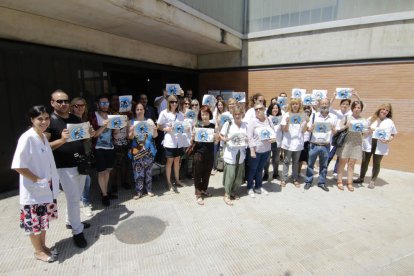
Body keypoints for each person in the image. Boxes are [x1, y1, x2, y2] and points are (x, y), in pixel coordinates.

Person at [12, 105, 60, 262]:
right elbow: (18, 165)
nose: (44, 121)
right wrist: (36, 180)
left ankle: (43, 247)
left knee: (43, 220)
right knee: (34, 224)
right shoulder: (27, 138)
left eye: (46, 118)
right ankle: (38, 251)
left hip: (46, 187)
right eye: (40, 119)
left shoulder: (43, 136)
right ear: (32, 119)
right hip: (34, 190)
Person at [46, 89, 91, 248]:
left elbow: (83, 137)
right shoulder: (49, 121)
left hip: (80, 163)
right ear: (52, 103)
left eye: (66, 101)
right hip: (64, 167)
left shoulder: (74, 118)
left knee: (76, 197)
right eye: (60, 101)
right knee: (73, 199)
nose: (64, 104)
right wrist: (62, 140)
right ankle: (77, 232)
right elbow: (45, 146)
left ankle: (71, 221)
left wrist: (88, 134)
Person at [354, 103, 397, 188]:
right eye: (383, 109)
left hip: (380, 145)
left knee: (376, 163)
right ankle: (361, 178)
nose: (384, 111)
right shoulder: (371, 118)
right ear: (379, 109)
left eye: (387, 110)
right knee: (364, 162)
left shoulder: (390, 122)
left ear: (389, 112)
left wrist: (388, 140)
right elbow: (362, 129)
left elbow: (393, 134)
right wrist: (367, 131)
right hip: (369, 143)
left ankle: (372, 181)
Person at [304, 99, 338, 192]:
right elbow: (308, 128)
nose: (324, 105)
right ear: (319, 105)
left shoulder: (334, 117)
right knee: (310, 164)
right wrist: (310, 129)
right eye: (322, 103)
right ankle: (308, 181)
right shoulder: (314, 116)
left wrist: (334, 130)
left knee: (324, 165)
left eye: (326, 103)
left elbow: (335, 132)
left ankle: (321, 182)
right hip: (314, 144)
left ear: (329, 105)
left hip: (325, 145)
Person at [157, 95, 188, 191]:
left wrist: (186, 128)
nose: (174, 103)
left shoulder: (180, 114)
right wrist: (166, 128)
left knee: (177, 161)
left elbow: (183, 126)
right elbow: (158, 125)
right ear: (168, 103)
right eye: (172, 102)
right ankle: (169, 183)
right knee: (169, 162)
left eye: (176, 102)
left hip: (179, 141)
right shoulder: (164, 113)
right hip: (169, 141)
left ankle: (177, 180)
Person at [328, 90, 361, 178]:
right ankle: (323, 169)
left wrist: (356, 96)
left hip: (344, 137)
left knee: (340, 155)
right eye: (343, 104)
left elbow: (361, 106)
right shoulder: (336, 112)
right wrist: (334, 97)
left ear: (349, 106)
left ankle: (335, 172)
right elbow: (328, 107)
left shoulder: (350, 113)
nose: (345, 105)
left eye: (347, 104)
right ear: (340, 105)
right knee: (330, 154)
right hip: (335, 135)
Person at [191, 105, 219, 205]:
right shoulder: (197, 126)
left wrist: (217, 137)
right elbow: (192, 141)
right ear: (200, 115)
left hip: (210, 153)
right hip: (199, 153)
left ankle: (203, 189)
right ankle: (198, 194)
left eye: (206, 114)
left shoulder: (213, 126)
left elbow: (216, 142)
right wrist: (193, 136)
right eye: (203, 114)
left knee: (206, 174)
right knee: (197, 174)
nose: (205, 116)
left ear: (209, 115)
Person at [89, 94, 115, 206]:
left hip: (110, 146)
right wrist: (104, 125)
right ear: (98, 104)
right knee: (101, 171)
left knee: (108, 170)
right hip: (99, 147)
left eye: (106, 103)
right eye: (102, 103)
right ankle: (104, 194)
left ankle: (105, 191)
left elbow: (113, 132)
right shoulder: (93, 116)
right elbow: (93, 135)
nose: (105, 105)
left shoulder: (111, 115)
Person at [70, 97, 93, 217]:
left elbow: (85, 140)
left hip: (84, 154)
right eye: (76, 106)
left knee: (85, 179)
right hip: (73, 155)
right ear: (72, 107)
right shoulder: (69, 120)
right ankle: (84, 203)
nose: (80, 108)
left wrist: (90, 134)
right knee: (84, 180)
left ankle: (82, 203)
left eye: (82, 105)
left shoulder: (84, 120)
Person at [129, 103, 158, 199]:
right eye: (137, 109)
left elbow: (155, 136)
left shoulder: (149, 121)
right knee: (138, 173)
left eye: (141, 109)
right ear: (135, 111)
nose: (139, 111)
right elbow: (129, 137)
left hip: (148, 150)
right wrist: (132, 131)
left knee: (148, 172)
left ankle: (149, 190)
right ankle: (139, 192)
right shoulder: (131, 122)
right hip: (137, 150)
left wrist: (154, 130)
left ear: (144, 110)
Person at [246, 103, 276, 198]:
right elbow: (249, 137)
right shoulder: (252, 122)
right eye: (256, 109)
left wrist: (273, 139)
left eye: (260, 108)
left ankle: (258, 186)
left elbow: (273, 132)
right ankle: (250, 187)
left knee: (260, 169)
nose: (258, 110)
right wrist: (252, 150)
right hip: (256, 150)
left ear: (264, 109)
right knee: (252, 170)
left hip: (266, 150)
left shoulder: (269, 120)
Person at [220, 105, 247, 205]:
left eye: (239, 114)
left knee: (238, 175)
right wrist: (225, 139)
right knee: (230, 174)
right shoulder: (228, 124)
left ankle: (233, 191)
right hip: (231, 152)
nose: (237, 116)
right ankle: (227, 194)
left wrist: (247, 139)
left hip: (241, 152)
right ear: (233, 114)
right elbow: (221, 135)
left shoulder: (245, 125)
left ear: (242, 114)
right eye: (235, 114)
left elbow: (247, 136)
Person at [336, 100, 366, 191]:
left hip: (357, 143)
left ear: (361, 109)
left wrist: (367, 131)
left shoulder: (363, 120)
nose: (357, 109)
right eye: (355, 107)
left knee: (352, 163)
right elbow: (339, 128)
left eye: (359, 108)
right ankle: (339, 181)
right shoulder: (346, 117)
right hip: (346, 142)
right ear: (352, 108)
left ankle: (349, 183)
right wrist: (346, 126)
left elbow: (364, 132)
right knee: (342, 162)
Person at [280, 99, 307, 188]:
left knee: (296, 162)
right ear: (291, 105)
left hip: (298, 143)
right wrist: (287, 122)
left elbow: (304, 130)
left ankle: (295, 178)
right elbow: (284, 129)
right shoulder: (286, 115)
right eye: (293, 104)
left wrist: (306, 122)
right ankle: (284, 179)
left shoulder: (303, 115)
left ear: (299, 105)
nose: (295, 106)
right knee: (286, 161)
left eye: (297, 104)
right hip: (288, 143)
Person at [263, 102, 283, 180]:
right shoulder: (266, 118)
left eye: (276, 108)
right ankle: (266, 174)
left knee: (276, 159)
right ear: (270, 109)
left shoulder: (281, 118)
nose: (275, 109)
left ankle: (275, 173)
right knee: (267, 159)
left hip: (277, 141)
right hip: (268, 141)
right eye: (273, 108)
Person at [212, 99, 227, 175]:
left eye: (221, 105)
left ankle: (221, 166)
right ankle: (214, 167)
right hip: (217, 133)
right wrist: (217, 133)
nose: (220, 106)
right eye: (219, 105)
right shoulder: (215, 113)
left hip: (224, 134)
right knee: (215, 151)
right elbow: (215, 124)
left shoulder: (226, 113)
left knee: (222, 151)